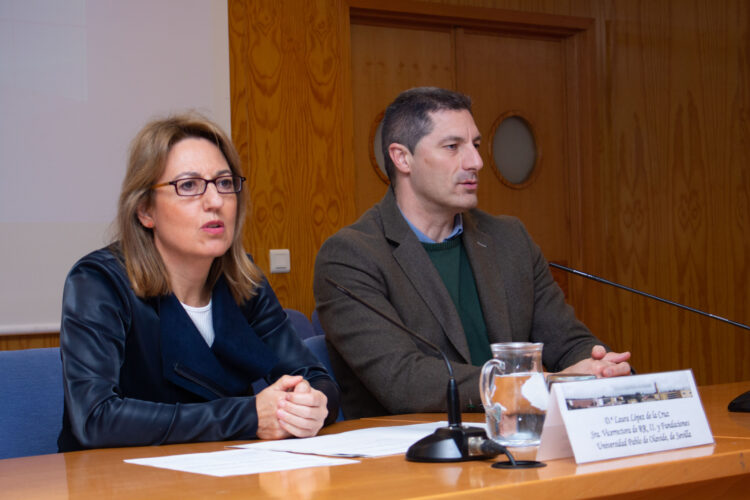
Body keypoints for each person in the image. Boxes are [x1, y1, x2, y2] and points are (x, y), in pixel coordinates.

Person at [313, 87, 630, 419]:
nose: (476, 162)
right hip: (413, 455)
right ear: (402, 158)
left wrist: (601, 368)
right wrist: (543, 386)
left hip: (520, 441)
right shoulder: (350, 256)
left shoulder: (509, 239)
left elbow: (567, 341)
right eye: (453, 147)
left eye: (476, 145)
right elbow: (406, 382)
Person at [58, 113, 339, 452]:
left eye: (224, 183)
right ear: (145, 210)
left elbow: (315, 377)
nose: (216, 202)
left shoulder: (243, 280)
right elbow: (96, 419)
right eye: (188, 186)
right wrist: (249, 416)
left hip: (227, 474)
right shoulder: (99, 282)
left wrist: (311, 405)